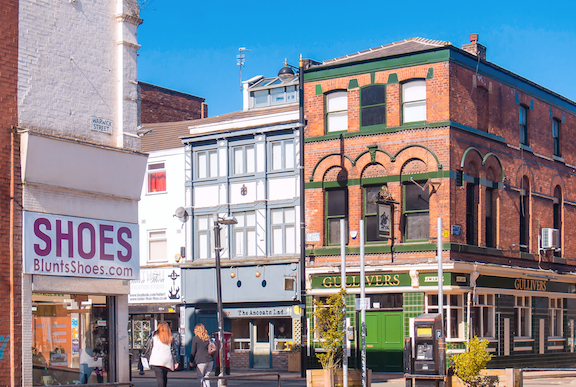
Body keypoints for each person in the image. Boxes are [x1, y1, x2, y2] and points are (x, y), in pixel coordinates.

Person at [143, 322, 179, 387]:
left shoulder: (154, 335)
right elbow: (173, 350)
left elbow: (147, 345)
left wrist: (144, 354)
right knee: (164, 376)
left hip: (156, 359)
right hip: (167, 359)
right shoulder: (170, 337)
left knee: (159, 377)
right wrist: (176, 361)